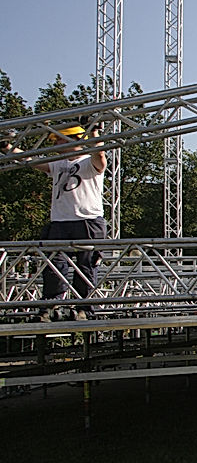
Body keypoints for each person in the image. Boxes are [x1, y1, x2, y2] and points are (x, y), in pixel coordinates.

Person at [35, 123, 107, 321]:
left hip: (87, 219)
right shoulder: (58, 164)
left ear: (74, 140)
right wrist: (8, 148)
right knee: (54, 265)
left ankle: (84, 308)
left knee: (86, 265)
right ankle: (51, 305)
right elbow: (31, 161)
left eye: (59, 139)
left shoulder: (88, 161)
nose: (56, 144)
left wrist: (94, 132)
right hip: (60, 221)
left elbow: (100, 156)